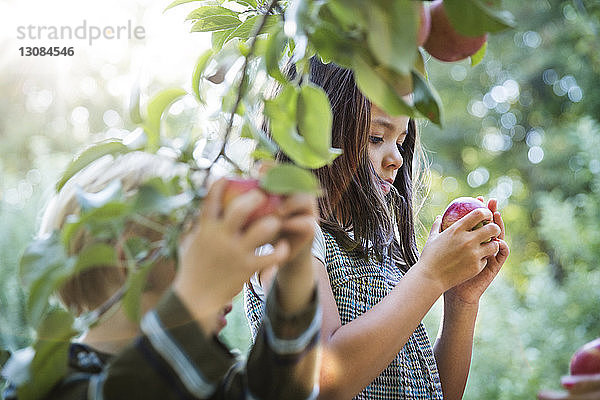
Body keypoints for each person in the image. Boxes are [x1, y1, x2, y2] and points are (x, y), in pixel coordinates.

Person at [244, 58, 509, 399]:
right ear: (312, 135)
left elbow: (434, 391)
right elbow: (322, 380)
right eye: (375, 137)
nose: (396, 158)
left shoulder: (377, 252)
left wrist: (460, 300)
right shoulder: (287, 236)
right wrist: (430, 276)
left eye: (400, 140)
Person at [4, 151, 321, 399]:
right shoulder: (45, 382)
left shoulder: (205, 373)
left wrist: (294, 273)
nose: (231, 285)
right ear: (134, 256)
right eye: (203, 254)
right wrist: (197, 298)